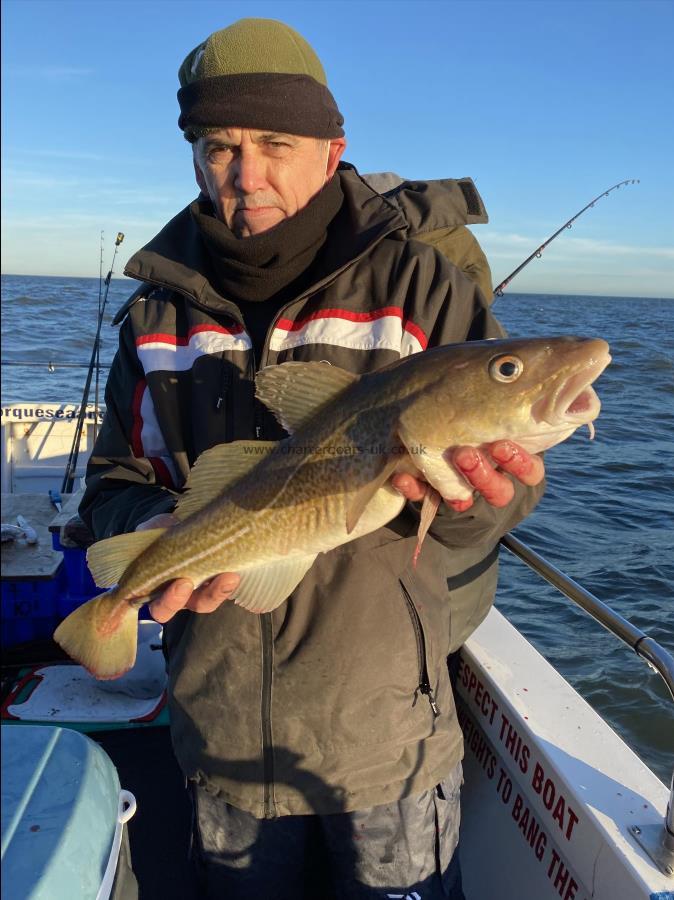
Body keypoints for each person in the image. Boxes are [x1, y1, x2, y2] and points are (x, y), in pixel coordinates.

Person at [80, 18, 545, 899]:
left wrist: (477, 499)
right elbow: (114, 482)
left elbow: (499, 506)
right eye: (218, 146)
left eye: (274, 144)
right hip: (215, 735)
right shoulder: (154, 318)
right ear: (193, 153)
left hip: (381, 739)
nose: (245, 176)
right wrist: (149, 527)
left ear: (332, 151)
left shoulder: (424, 290)